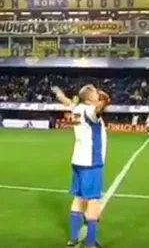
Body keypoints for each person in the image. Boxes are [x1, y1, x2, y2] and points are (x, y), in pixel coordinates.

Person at [52, 85, 111, 248]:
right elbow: (98, 110)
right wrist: (105, 100)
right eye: (94, 92)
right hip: (91, 162)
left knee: (78, 198)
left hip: (78, 160)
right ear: (89, 97)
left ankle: (72, 238)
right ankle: (91, 242)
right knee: (93, 201)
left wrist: (58, 93)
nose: (97, 93)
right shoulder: (90, 111)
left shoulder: (77, 108)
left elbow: (66, 102)